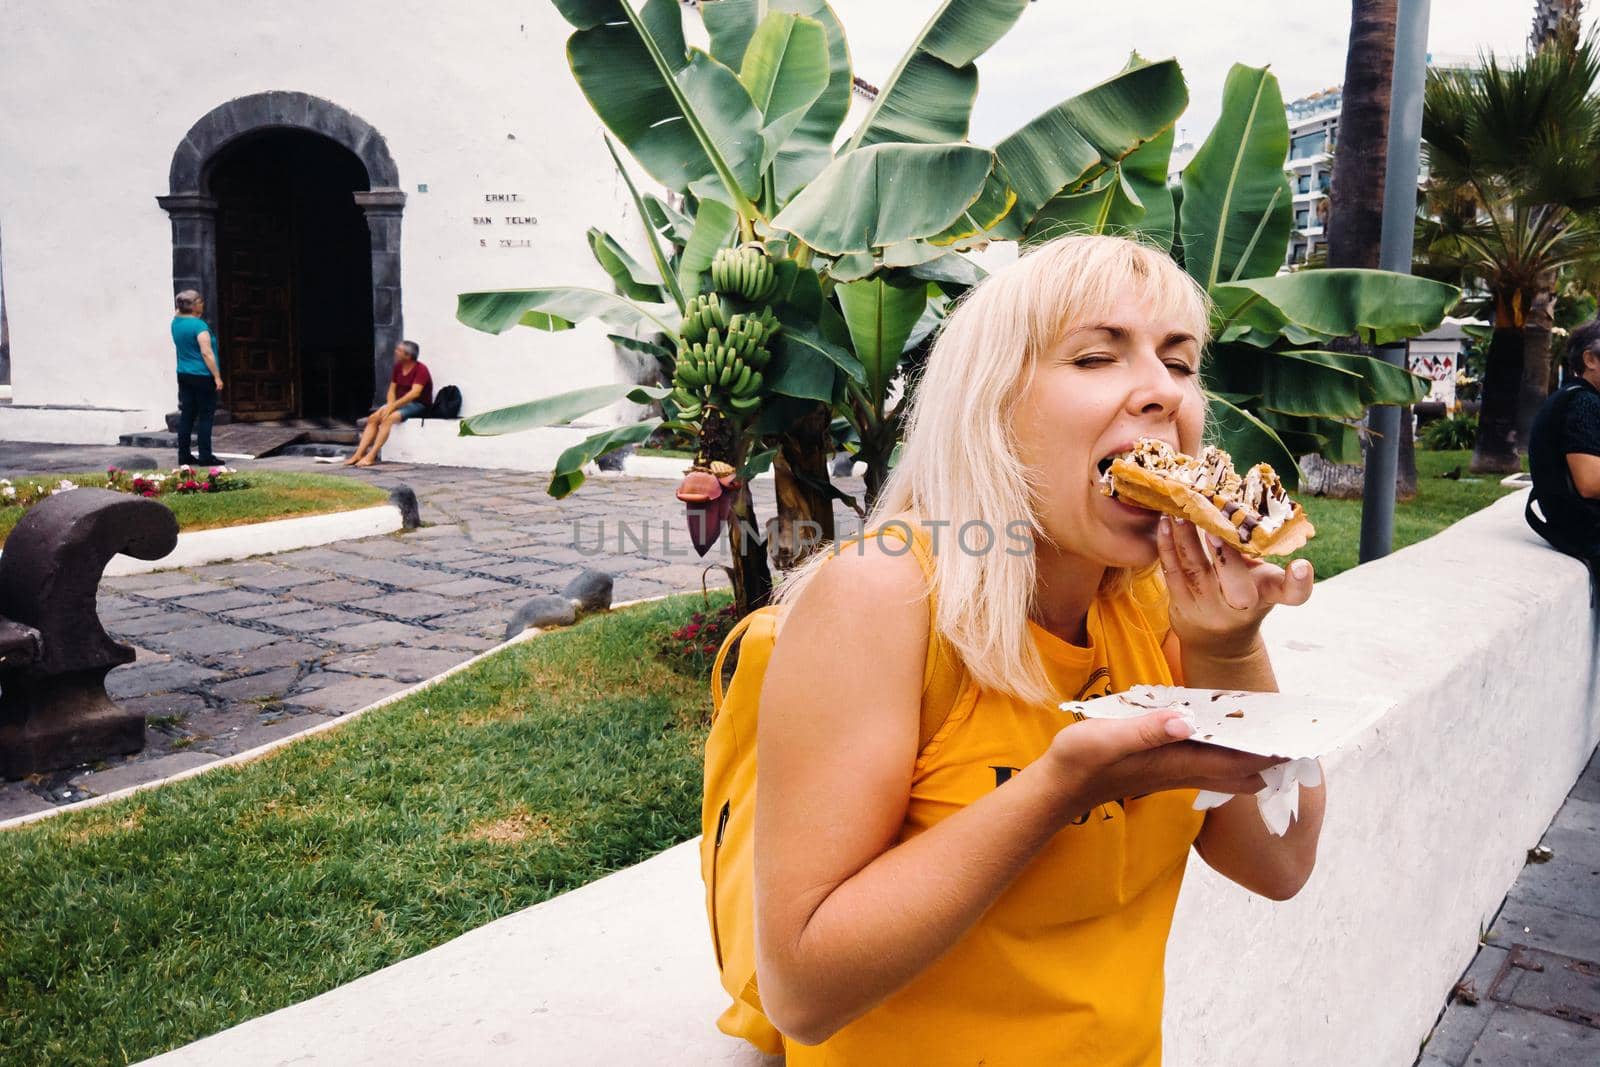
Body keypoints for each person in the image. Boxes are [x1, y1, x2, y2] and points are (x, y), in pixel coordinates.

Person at [752, 235, 1322, 1063]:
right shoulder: (881, 596)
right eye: (1096, 357)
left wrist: (1229, 652)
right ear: (991, 404)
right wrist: (1060, 788)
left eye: (1181, 361)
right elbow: (802, 990)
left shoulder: (1156, 605)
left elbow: (1280, 859)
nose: (1162, 391)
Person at [1526, 319, 1600, 566]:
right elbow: (1590, 482)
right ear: (1590, 360)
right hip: (1586, 533)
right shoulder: (1584, 402)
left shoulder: (1571, 396)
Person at [345, 340, 432, 468]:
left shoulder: (421, 369)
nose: (395, 352)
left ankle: (371, 456)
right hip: (399, 403)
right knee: (373, 418)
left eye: (399, 351)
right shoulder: (398, 367)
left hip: (418, 405)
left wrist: (393, 407)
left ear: (408, 356)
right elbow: (392, 390)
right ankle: (359, 453)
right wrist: (390, 404)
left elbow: (415, 393)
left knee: (388, 419)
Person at [170, 290, 223, 466]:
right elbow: (206, 353)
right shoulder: (199, 326)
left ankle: (184, 455)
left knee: (187, 416)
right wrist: (217, 377)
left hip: (184, 374)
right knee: (206, 416)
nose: (203, 303)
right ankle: (205, 456)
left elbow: (179, 311)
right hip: (202, 375)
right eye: (200, 301)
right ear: (194, 305)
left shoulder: (176, 323)